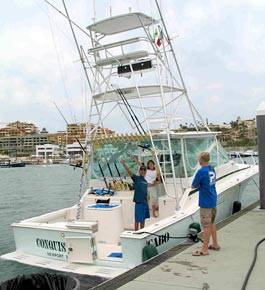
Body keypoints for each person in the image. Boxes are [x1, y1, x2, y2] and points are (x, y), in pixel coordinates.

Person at [191, 151, 220, 256]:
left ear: (201, 159)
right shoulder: (212, 169)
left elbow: (193, 185)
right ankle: (215, 244)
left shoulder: (201, 172)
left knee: (206, 225)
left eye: (199, 158)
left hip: (206, 201)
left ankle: (204, 249)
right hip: (213, 198)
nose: (198, 160)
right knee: (212, 222)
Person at [121, 159, 150, 231]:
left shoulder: (145, 181)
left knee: (143, 220)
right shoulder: (136, 178)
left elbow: (145, 192)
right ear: (139, 171)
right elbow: (129, 171)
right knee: (137, 220)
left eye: (144, 171)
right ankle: (136, 232)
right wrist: (124, 164)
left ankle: (142, 231)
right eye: (142, 170)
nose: (143, 172)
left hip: (145, 203)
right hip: (139, 203)